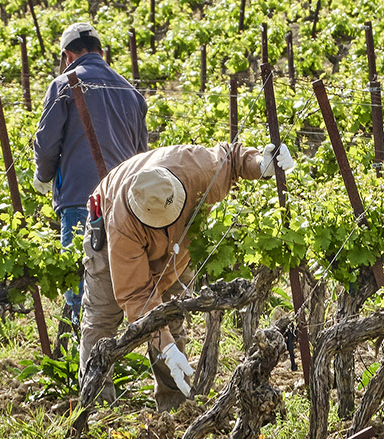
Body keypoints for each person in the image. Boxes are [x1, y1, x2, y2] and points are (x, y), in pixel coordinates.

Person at [82, 140, 296, 410]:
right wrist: (167, 349)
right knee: (103, 320)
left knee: (171, 317)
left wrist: (262, 165)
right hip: (107, 236)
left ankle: (175, 408)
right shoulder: (123, 224)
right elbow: (137, 295)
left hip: (178, 249)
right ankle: (96, 410)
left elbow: (232, 159)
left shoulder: (196, 169)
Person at [31, 22, 148, 333]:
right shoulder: (131, 92)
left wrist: (42, 177)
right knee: (122, 281)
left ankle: (79, 362)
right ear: (102, 53)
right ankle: (116, 352)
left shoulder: (63, 85)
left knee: (80, 283)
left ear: (68, 56)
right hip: (126, 204)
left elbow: (46, 144)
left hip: (81, 200)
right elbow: (141, 153)